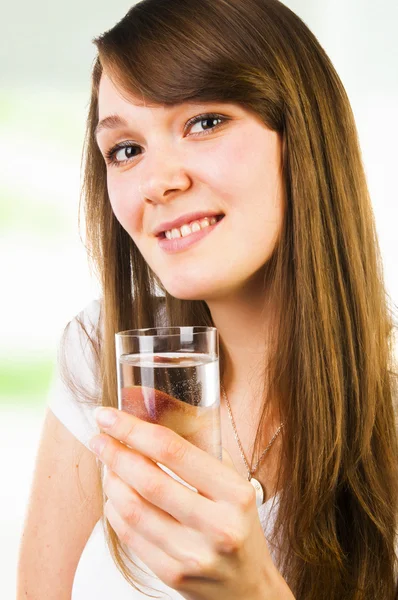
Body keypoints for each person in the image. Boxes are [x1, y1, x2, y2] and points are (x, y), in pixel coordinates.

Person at [17, 0, 398, 598]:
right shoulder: (100, 354)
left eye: (205, 122)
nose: (157, 182)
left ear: (303, 136)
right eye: (125, 150)